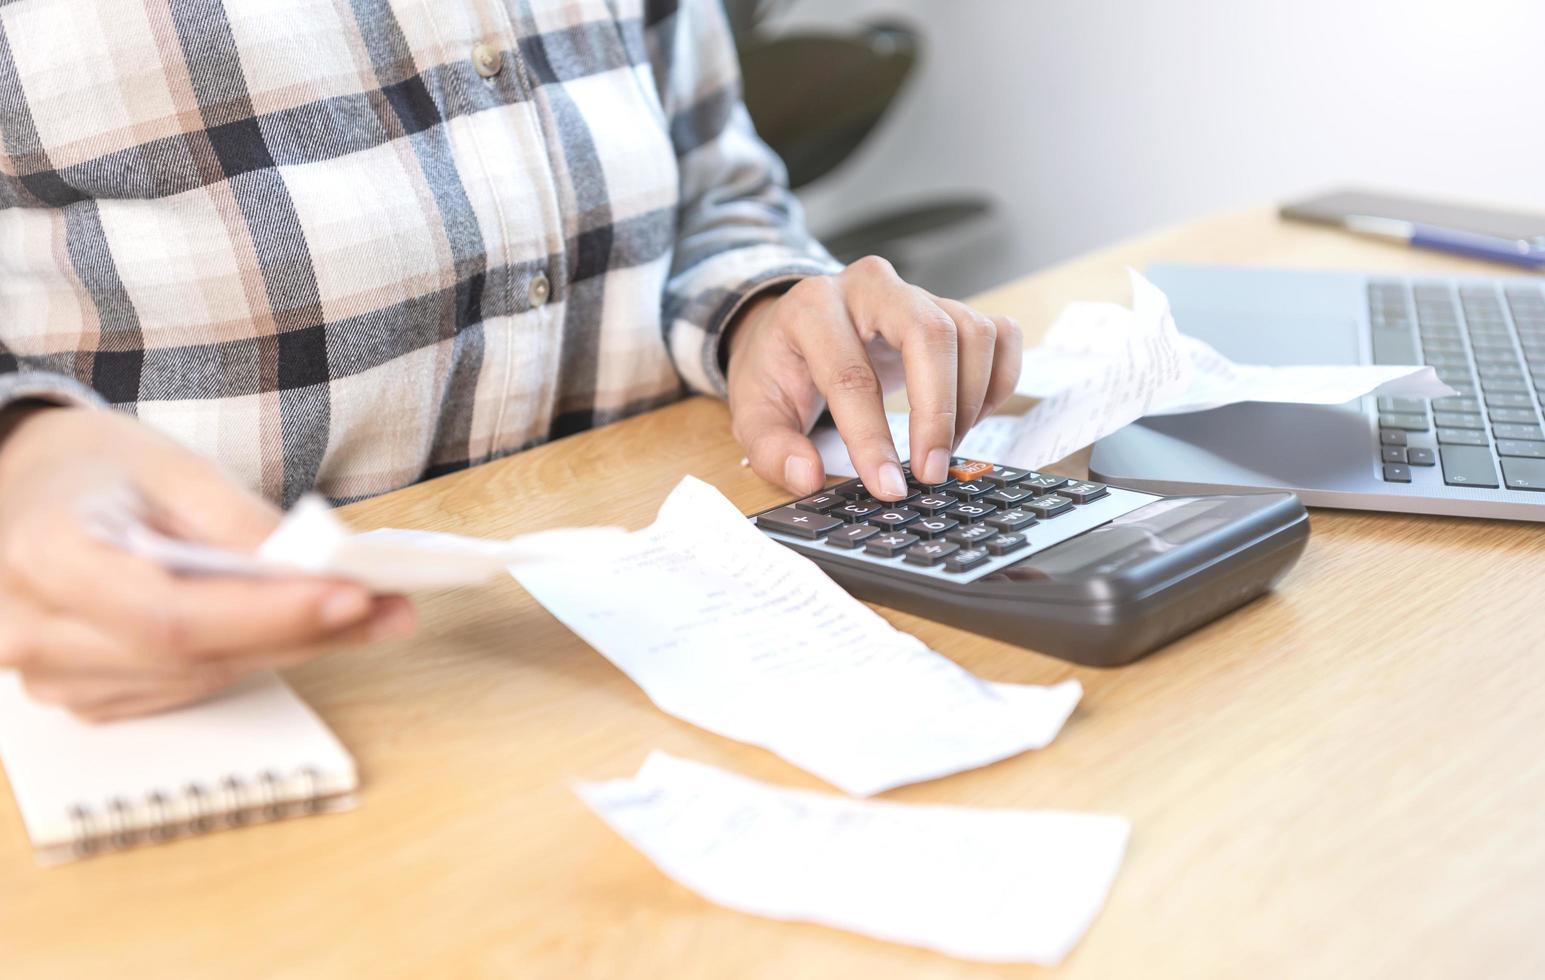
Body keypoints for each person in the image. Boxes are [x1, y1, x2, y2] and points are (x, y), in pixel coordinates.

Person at [0, 0, 1021, 719]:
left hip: (643, 647)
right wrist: (19, 451)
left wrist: (758, 307)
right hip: (195, 701)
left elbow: (714, 181)